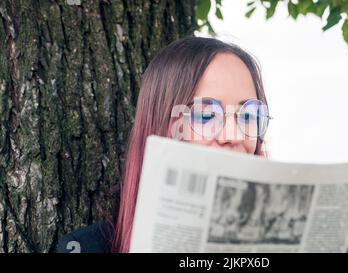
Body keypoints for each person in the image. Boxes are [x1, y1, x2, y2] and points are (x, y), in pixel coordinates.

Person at [57, 36, 271, 253]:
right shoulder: (85, 248)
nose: (233, 136)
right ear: (163, 127)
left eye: (247, 116)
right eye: (206, 116)